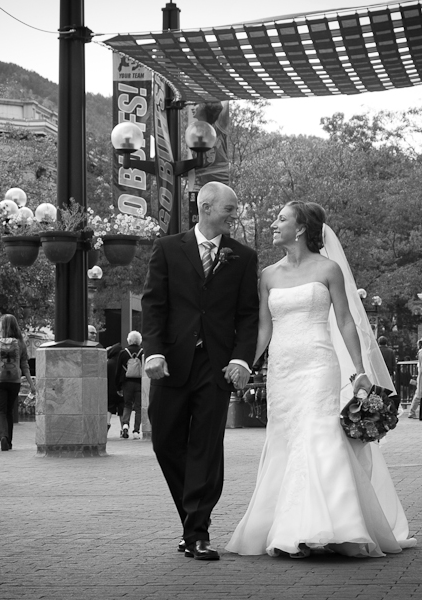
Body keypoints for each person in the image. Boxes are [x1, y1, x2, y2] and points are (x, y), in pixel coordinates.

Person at [226, 201, 414, 558]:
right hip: (283, 369)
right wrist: (245, 365)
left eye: (280, 219)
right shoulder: (268, 275)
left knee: (318, 436)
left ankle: (332, 527)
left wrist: (359, 370)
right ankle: (287, 526)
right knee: (286, 439)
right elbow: (264, 330)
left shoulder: (328, 269)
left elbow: (345, 321)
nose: (273, 224)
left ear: (299, 229)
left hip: (317, 365)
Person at [142, 181, 259, 561]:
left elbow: (248, 314)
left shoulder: (243, 256)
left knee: (207, 449)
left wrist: (241, 360)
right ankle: (189, 522)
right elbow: (154, 306)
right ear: (206, 208)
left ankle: (198, 532)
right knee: (165, 443)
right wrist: (154, 353)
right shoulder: (167, 248)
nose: (234, 215)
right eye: (229, 209)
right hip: (172, 364)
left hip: (216, 365)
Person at [0, 314, 36, 451]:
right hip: (14, 382)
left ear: (3, 326)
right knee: (9, 411)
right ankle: (9, 441)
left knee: (0, 411)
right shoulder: (20, 343)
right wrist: (31, 384)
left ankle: (3, 437)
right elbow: (25, 365)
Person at [117, 330, 144, 439]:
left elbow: (118, 371)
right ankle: (136, 431)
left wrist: (118, 386)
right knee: (138, 407)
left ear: (129, 340)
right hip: (139, 383)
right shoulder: (143, 352)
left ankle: (125, 425)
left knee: (127, 405)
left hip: (127, 383)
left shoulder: (123, 353)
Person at [106, 342, 125, 432]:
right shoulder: (122, 363)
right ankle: (123, 428)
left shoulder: (108, 363)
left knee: (109, 407)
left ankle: (107, 422)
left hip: (110, 389)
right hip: (121, 388)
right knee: (122, 408)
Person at [378, 336, 398, 410]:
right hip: (388, 374)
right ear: (386, 342)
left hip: (378, 374)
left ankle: (379, 405)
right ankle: (388, 406)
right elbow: (394, 364)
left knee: (378, 390)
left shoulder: (375, 351)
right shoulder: (391, 351)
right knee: (388, 390)